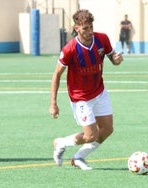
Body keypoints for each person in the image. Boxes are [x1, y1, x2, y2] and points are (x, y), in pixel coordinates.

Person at [49, 9, 123, 170]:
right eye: (85, 28)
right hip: (81, 97)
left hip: (99, 91)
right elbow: (56, 74)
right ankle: (61, 143)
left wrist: (117, 60)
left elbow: (113, 59)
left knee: (107, 129)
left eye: (91, 27)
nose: (89, 31)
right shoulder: (70, 49)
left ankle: (78, 158)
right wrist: (53, 103)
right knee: (91, 136)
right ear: (76, 28)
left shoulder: (102, 39)